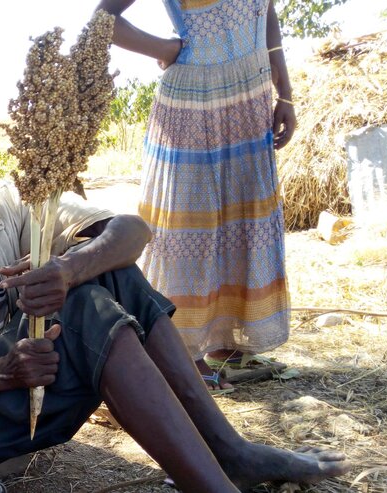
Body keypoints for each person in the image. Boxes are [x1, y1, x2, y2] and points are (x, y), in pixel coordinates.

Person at [0, 97, 348, 492]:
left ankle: (229, 449)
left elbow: (131, 231)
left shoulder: (6, 205)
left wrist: (68, 268)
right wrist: (0, 374)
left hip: (14, 403)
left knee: (109, 274)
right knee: (86, 308)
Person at [97, 0, 296, 392]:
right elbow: (105, 19)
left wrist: (284, 93)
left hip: (250, 97)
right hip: (193, 101)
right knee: (191, 227)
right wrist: (167, 49)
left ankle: (227, 344)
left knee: (242, 221)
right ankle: (184, 353)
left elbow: (267, 13)